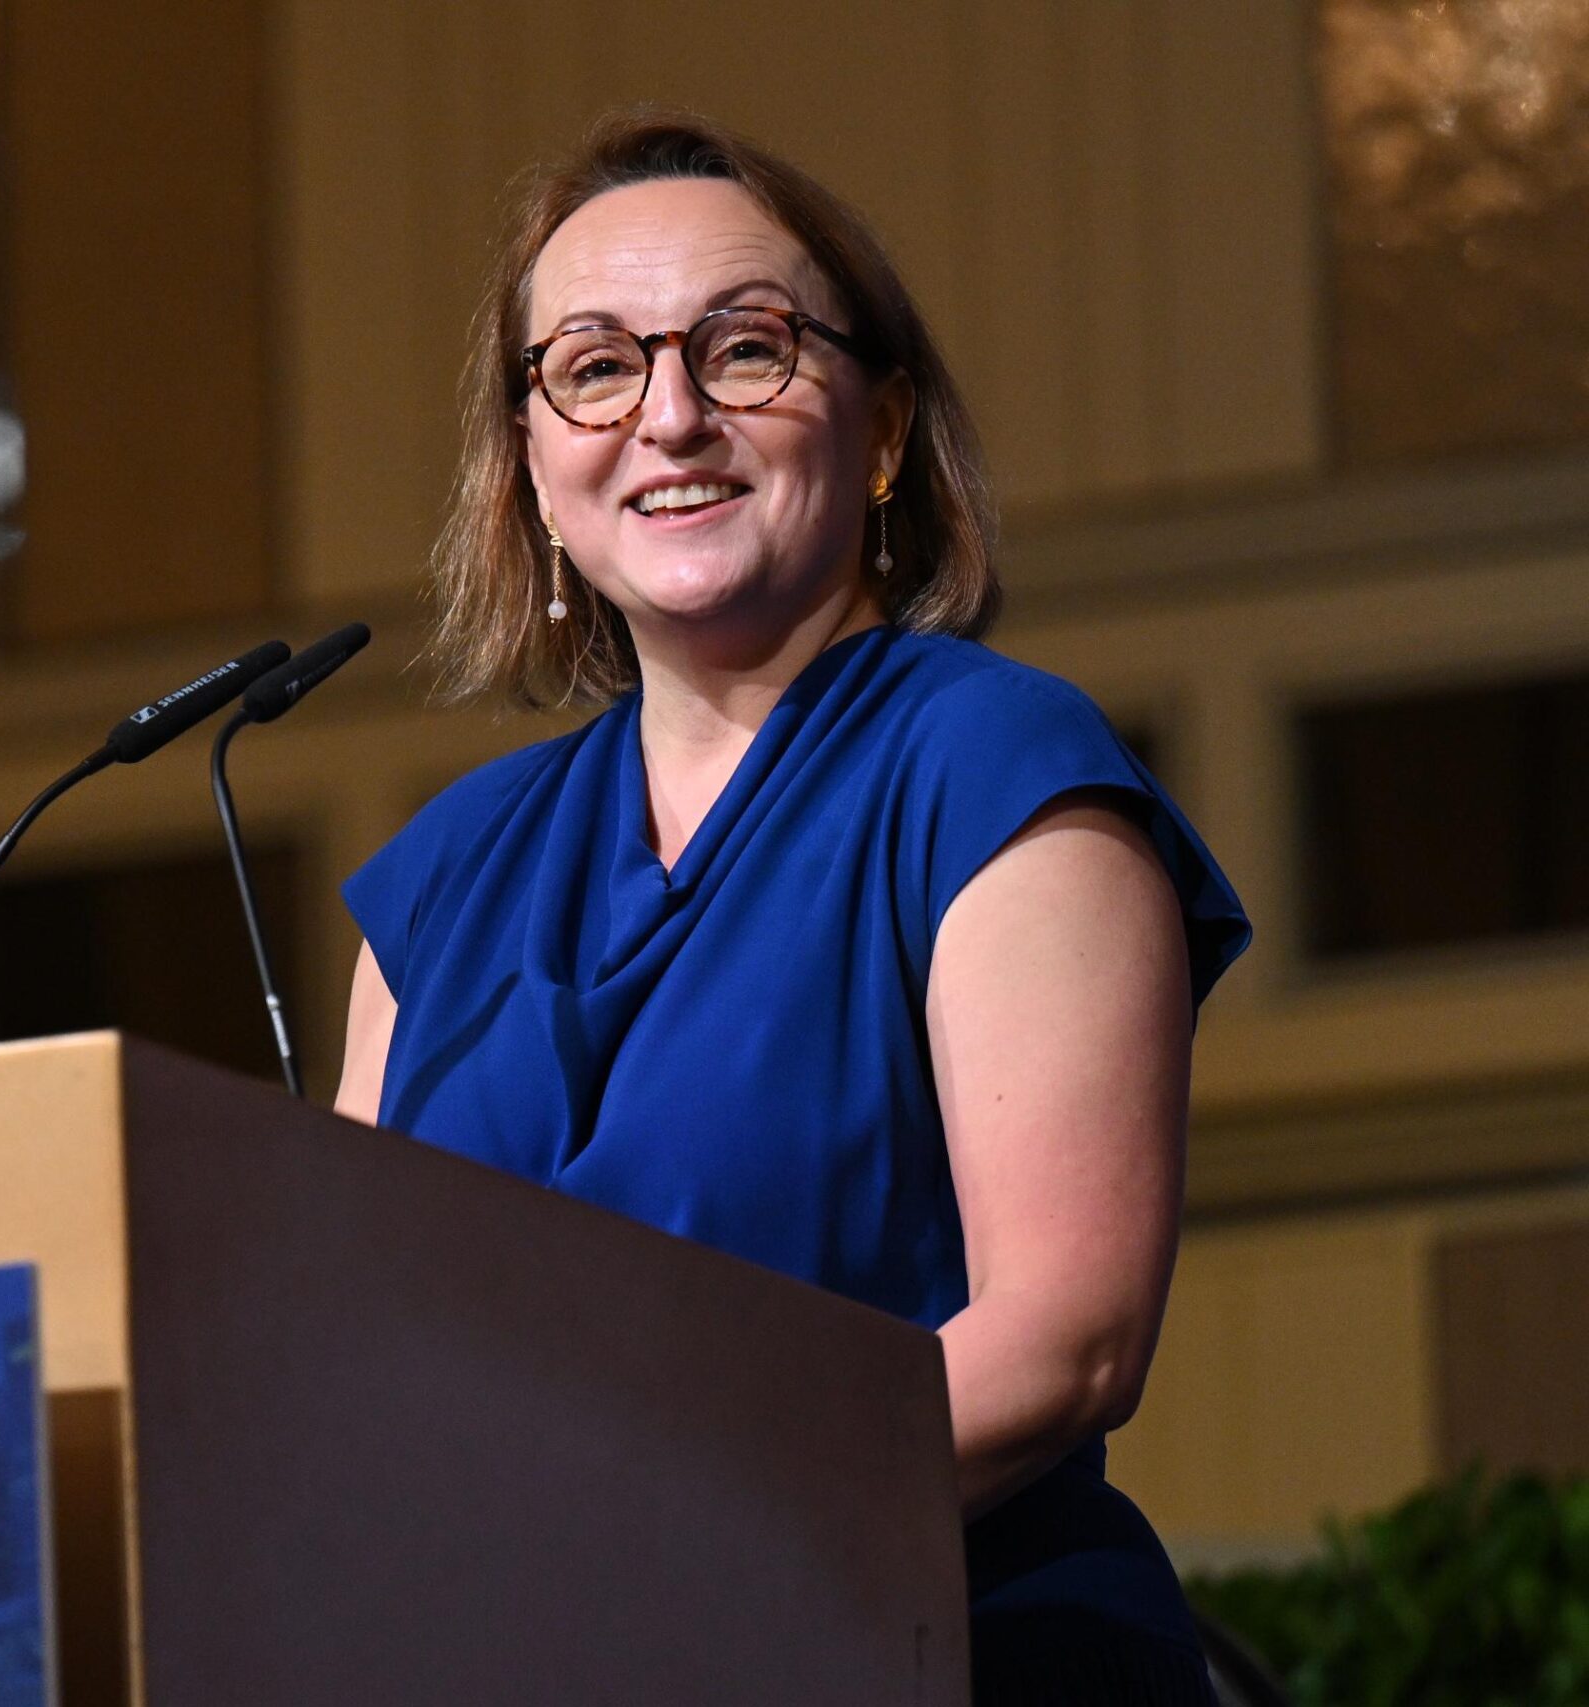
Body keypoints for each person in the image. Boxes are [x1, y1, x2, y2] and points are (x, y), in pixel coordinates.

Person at [334, 110, 1249, 1705]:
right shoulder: (443, 882)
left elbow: (1070, 1338)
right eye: (597, 368)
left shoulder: (993, 771)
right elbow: (345, 1370)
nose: (671, 415)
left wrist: (625, 1542)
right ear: (535, 469)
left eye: (746, 350)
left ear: (882, 431)